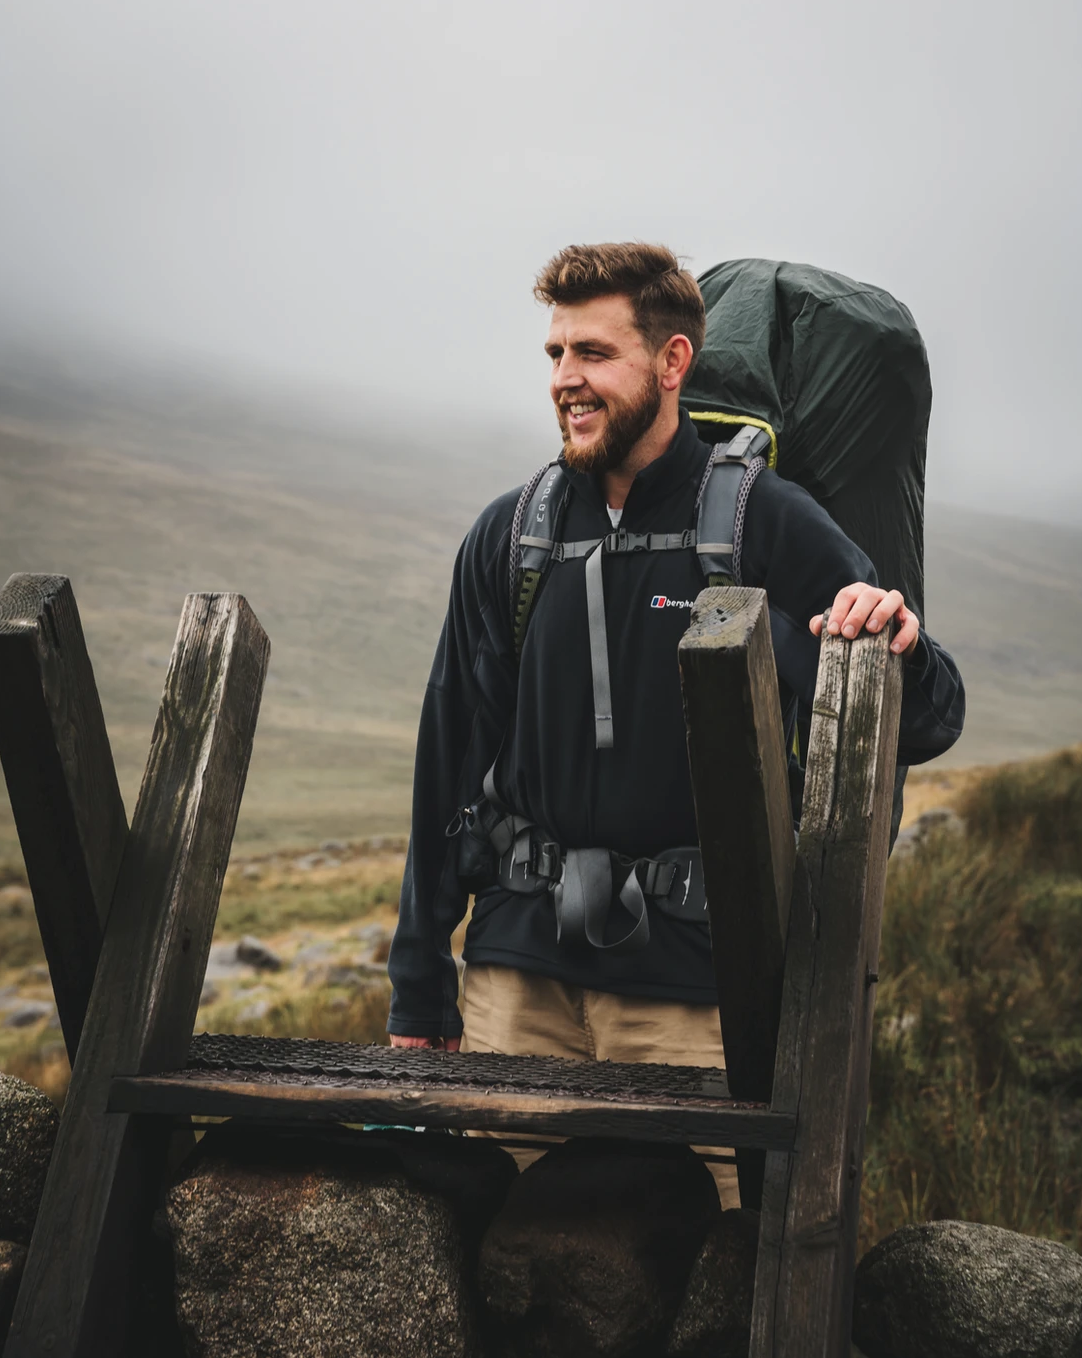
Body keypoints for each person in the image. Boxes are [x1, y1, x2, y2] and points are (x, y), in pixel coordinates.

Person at [386, 243, 965, 1205]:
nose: (567, 379)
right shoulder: (511, 533)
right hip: (515, 981)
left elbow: (933, 713)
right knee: (491, 1264)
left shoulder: (765, 525)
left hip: (702, 993)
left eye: (594, 354)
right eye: (556, 353)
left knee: (710, 1282)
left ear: (672, 363)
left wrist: (891, 640)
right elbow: (448, 756)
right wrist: (419, 978)